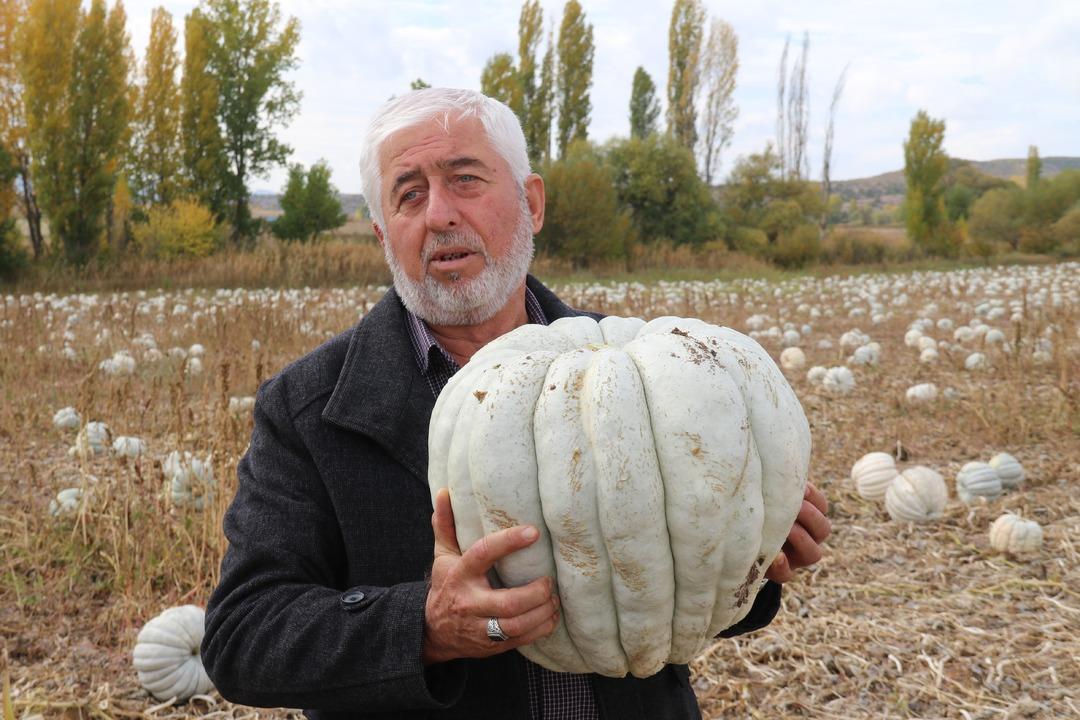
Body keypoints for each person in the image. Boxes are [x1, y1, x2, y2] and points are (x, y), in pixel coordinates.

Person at [201, 87, 831, 720]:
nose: (440, 214)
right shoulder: (307, 409)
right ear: (383, 235)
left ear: (531, 204)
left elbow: (663, 602)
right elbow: (242, 638)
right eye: (409, 194)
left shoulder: (652, 379)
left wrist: (751, 559)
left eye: (465, 179)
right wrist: (424, 626)